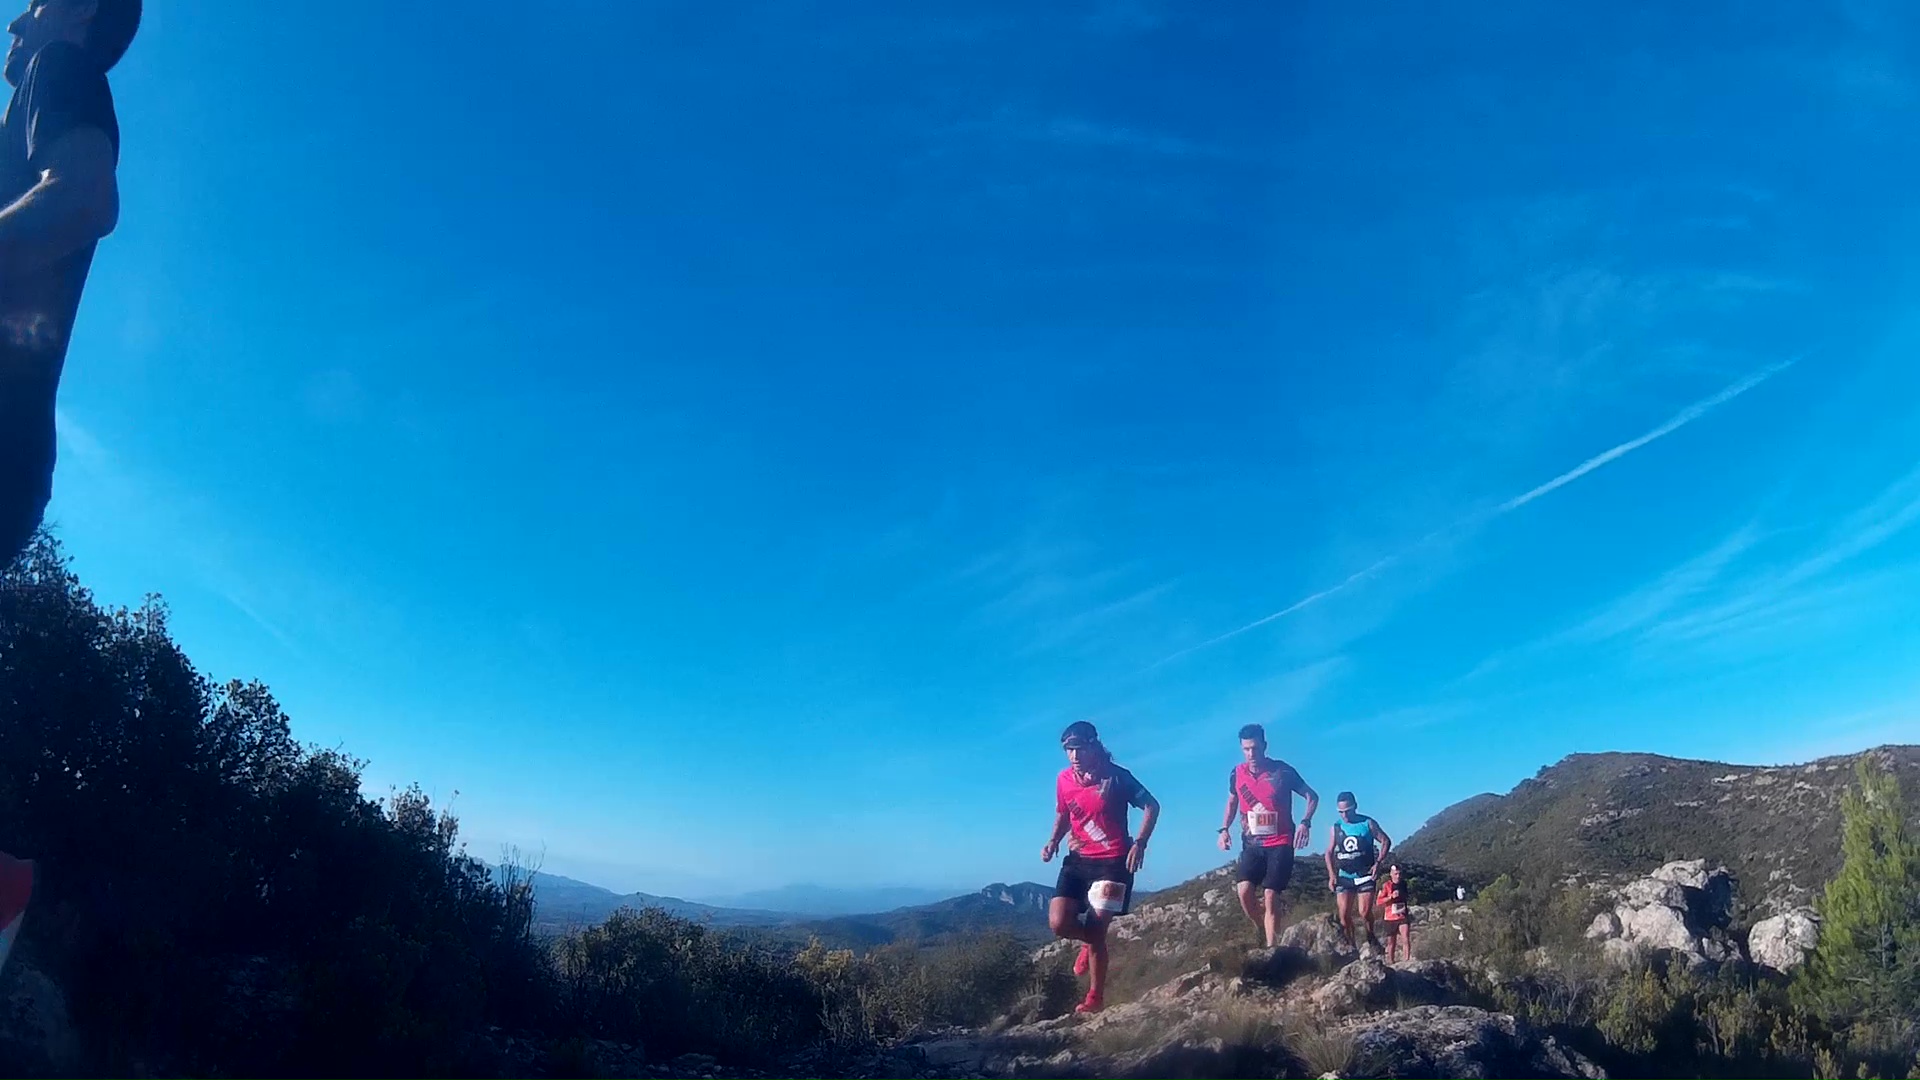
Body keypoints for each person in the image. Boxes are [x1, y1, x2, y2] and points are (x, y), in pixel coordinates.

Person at [0, 0, 138, 566]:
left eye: (34, 4)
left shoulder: (58, 63)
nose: (14, 22)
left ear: (81, 8)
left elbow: (85, 198)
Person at [1042, 720, 1159, 1015]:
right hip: (1078, 859)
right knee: (1058, 924)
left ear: (1094, 746)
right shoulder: (1063, 779)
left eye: (1079, 748)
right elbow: (1064, 813)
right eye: (1068, 750)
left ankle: (1095, 998)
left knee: (1096, 931)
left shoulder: (1117, 777)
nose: (1074, 756)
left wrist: (1140, 843)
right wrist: (1053, 840)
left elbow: (1152, 806)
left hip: (1115, 862)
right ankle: (1087, 940)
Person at [1217, 723, 1317, 947]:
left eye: (1255, 748)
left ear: (1264, 746)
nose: (1251, 754)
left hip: (1281, 842)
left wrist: (1305, 823)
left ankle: (1272, 950)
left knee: (1270, 895)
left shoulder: (1282, 771)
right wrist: (1224, 829)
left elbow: (1312, 796)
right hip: (1252, 844)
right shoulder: (1236, 773)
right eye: (1246, 749)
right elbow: (1232, 802)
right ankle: (1260, 925)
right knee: (1244, 891)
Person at [1324, 791, 1391, 952]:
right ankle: (1351, 946)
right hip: (1344, 875)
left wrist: (1378, 863)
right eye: (1341, 812)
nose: (1344, 815)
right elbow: (1329, 852)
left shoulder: (1368, 823)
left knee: (1364, 912)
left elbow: (1385, 841)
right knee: (1344, 915)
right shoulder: (1336, 827)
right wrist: (1332, 875)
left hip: (1365, 875)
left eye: (1347, 811)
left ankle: (1370, 936)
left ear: (1355, 807)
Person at [1379, 864, 1413, 963]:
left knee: (1405, 938)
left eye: (1399, 874)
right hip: (1390, 917)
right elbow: (1379, 901)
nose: (1398, 876)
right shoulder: (1386, 886)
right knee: (1391, 942)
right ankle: (1391, 961)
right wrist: (1390, 897)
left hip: (1402, 915)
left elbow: (1407, 896)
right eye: (1396, 874)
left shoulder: (1404, 884)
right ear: (1391, 874)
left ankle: (1406, 961)